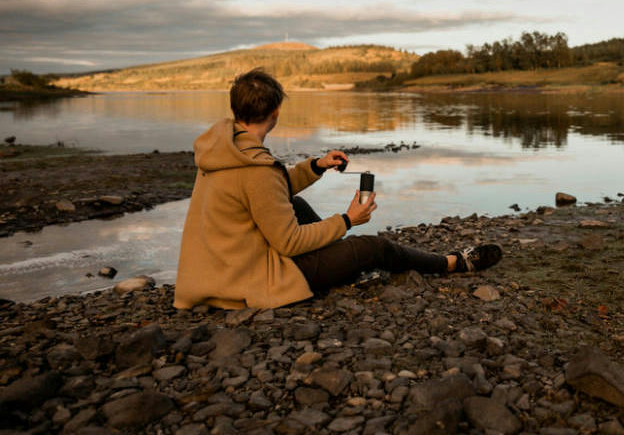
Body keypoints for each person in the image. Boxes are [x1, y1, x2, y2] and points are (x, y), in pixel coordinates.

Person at [173, 68, 501, 310]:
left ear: (236, 110)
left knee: (296, 205)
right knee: (375, 247)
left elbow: (267, 192)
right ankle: (452, 262)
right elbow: (288, 242)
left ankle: (342, 262)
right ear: (276, 112)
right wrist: (347, 220)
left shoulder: (223, 149)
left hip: (218, 268)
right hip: (247, 279)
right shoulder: (257, 169)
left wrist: (316, 166)